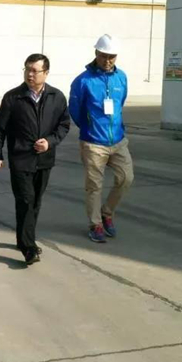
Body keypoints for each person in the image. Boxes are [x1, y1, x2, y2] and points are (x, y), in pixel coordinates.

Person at [0, 53, 70, 265]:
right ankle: (29, 248)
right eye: (27, 69)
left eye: (35, 70)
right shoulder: (13, 97)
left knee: (34, 202)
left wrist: (50, 142)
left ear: (46, 73)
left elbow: (64, 125)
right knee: (25, 200)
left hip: (44, 160)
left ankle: (23, 239)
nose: (30, 74)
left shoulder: (57, 97)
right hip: (21, 158)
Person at [69, 34, 134, 244]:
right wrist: (89, 128)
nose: (107, 60)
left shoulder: (121, 77)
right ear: (96, 53)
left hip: (118, 140)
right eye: (104, 56)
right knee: (94, 186)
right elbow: (75, 110)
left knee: (126, 178)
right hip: (93, 143)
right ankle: (95, 224)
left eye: (111, 57)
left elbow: (120, 103)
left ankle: (107, 212)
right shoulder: (83, 81)